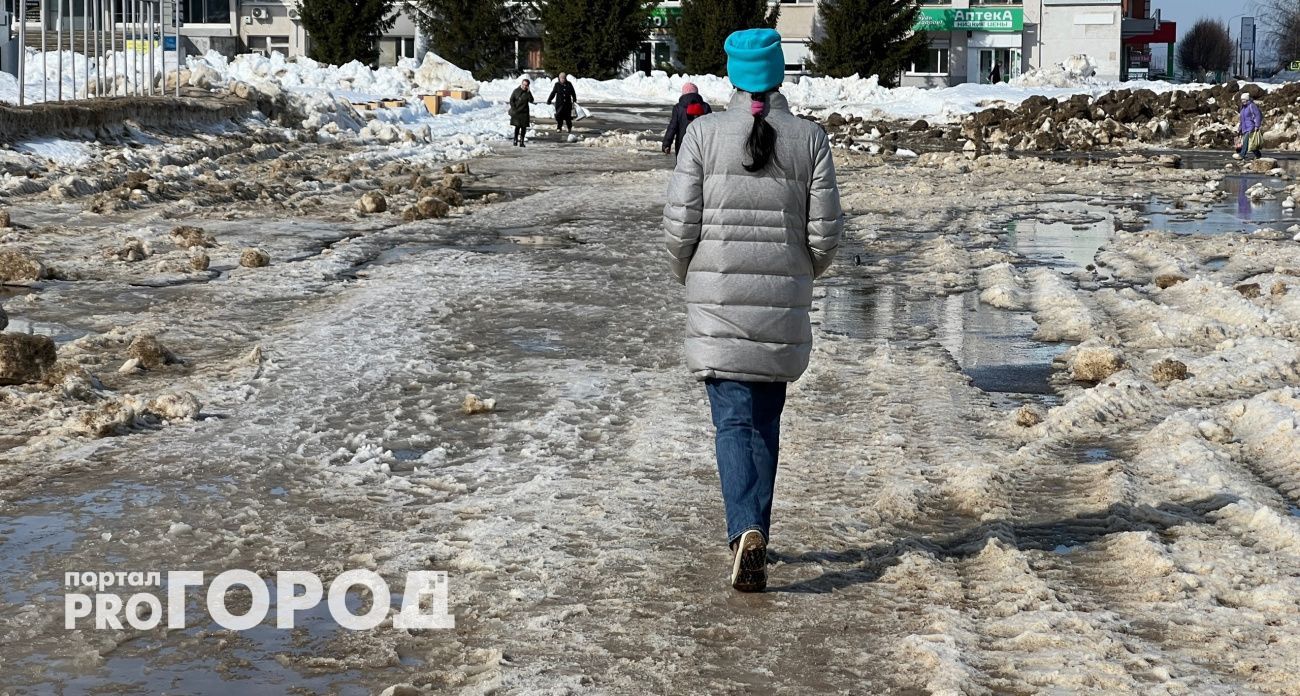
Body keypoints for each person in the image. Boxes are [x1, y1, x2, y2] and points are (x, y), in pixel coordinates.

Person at [662, 28, 844, 592]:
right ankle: (754, 530)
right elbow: (826, 234)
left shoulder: (702, 135)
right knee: (764, 420)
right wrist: (800, 277)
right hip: (781, 303)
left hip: (716, 304)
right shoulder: (810, 139)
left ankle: (743, 531)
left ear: (733, 75)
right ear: (779, 74)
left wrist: (690, 276)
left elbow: (678, 228)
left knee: (732, 421)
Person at [662, 82, 713, 155]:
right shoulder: (705, 107)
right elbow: (711, 128)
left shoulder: (678, 107)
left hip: (683, 144)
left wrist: (666, 144)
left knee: (682, 165)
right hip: (702, 144)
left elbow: (673, 127)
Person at [1237, 92, 1264, 160]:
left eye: (1244, 99)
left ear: (1247, 99)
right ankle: (1258, 154)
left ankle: (1242, 155)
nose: (1243, 101)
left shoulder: (1252, 106)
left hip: (1251, 127)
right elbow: (1242, 120)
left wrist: (1257, 126)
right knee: (1251, 143)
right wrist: (1240, 128)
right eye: (1242, 99)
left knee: (1246, 141)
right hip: (1244, 128)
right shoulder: (1243, 108)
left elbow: (1258, 115)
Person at [509, 78, 534, 147]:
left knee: (523, 128)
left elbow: (531, 100)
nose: (524, 86)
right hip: (517, 111)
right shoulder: (516, 91)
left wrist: (529, 92)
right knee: (517, 126)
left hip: (524, 112)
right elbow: (511, 100)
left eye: (526, 85)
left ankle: (522, 141)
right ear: (521, 84)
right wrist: (513, 108)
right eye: (523, 84)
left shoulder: (527, 92)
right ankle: (515, 140)